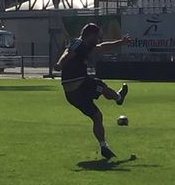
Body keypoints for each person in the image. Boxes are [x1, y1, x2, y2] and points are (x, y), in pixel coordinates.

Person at [54, 23, 131, 160]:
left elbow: (102, 48)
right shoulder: (79, 43)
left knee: (97, 116)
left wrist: (121, 42)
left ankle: (103, 146)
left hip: (72, 94)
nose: (98, 40)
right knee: (102, 86)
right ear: (89, 35)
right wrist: (60, 63)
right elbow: (68, 53)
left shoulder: (86, 46)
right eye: (97, 37)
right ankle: (118, 98)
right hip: (80, 84)